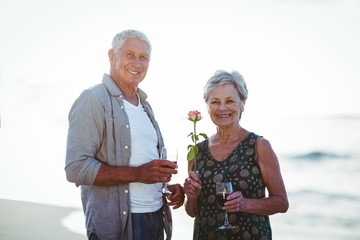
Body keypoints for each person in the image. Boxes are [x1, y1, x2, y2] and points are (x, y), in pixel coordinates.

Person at [65, 29, 184, 240]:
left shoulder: (145, 105)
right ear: (112, 56)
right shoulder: (93, 99)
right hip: (120, 225)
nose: (137, 63)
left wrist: (165, 188)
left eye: (143, 57)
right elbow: (76, 168)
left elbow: (146, 164)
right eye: (130, 55)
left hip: (156, 217)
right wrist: (139, 174)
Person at [183, 70, 289, 240]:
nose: (222, 108)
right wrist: (191, 196)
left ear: (242, 105)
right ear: (208, 107)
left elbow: (282, 203)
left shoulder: (259, 146)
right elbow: (192, 212)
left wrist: (245, 204)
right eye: (215, 101)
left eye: (230, 101)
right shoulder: (196, 151)